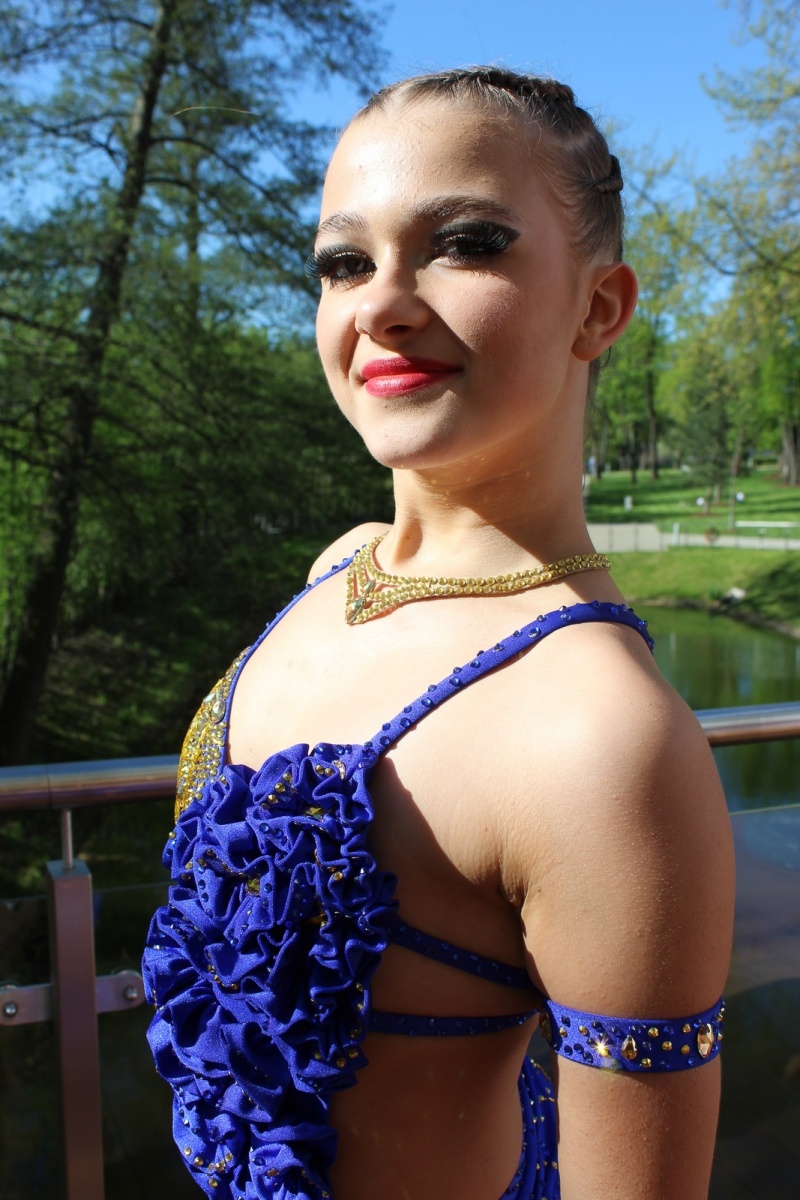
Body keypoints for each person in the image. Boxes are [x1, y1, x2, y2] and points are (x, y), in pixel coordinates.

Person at [143, 67, 735, 1200]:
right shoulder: (342, 566)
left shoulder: (601, 739)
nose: (381, 304)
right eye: (342, 262)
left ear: (599, 308)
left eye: (463, 244)